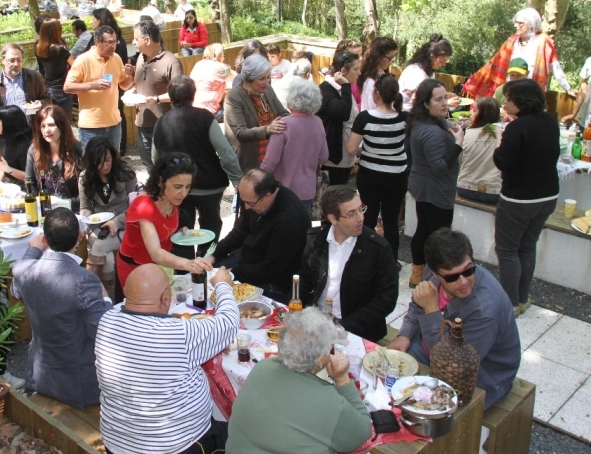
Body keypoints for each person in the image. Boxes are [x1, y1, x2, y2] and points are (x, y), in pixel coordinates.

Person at [96, 264, 238, 454]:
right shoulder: (177, 335)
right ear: (165, 297)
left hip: (117, 443)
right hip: (178, 446)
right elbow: (228, 323)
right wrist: (222, 286)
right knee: (246, 432)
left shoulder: (107, 320)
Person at [389, 228, 521, 408]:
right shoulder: (434, 268)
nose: (463, 282)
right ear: (434, 273)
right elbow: (418, 302)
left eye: (468, 270)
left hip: (479, 375)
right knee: (387, 380)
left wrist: (432, 308)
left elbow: (453, 364)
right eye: (452, 277)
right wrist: (404, 334)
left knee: (419, 410)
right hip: (432, 347)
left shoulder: (486, 311)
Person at [226, 307, 372, 454]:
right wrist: (342, 379)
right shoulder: (328, 401)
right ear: (320, 360)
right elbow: (361, 434)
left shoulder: (262, 367)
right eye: (330, 347)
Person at [10, 207, 111, 408]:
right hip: (78, 384)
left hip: (40, 375)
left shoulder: (23, 270)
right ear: (80, 237)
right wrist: (106, 298)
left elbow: (19, 276)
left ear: (45, 240)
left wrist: (34, 249)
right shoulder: (84, 280)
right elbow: (102, 331)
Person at [493, 79, 559, 315]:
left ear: (521, 101)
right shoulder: (550, 121)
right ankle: (522, 297)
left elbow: (503, 161)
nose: (506, 103)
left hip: (519, 199)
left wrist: (500, 142)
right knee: (527, 245)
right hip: (548, 195)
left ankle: (510, 304)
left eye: (509, 98)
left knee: (508, 250)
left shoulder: (517, 128)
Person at [299, 186, 398, 342]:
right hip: (317, 320)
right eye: (352, 213)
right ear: (332, 218)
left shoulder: (378, 248)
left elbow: (387, 299)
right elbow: (304, 280)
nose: (360, 218)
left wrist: (344, 326)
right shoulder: (315, 239)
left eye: (361, 209)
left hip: (357, 331)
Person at [152, 76, 243, 239]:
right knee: (211, 227)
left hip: (177, 187)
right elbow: (225, 152)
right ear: (193, 94)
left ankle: (184, 262)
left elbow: (155, 158)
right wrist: (237, 179)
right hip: (210, 185)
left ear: (170, 96)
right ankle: (207, 259)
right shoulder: (205, 118)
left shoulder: (161, 123)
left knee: (181, 231)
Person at [206, 169, 310, 303]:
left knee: (219, 298)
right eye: (242, 200)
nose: (246, 207)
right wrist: (214, 254)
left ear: (267, 196)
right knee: (202, 274)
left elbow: (270, 270)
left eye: (250, 203)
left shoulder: (289, 220)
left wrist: (232, 273)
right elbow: (240, 231)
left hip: (274, 281)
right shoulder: (256, 200)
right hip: (247, 259)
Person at [117, 153, 210, 288]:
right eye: (178, 187)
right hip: (135, 269)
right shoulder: (144, 206)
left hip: (161, 267)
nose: (184, 193)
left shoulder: (172, 200)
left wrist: (182, 227)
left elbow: (171, 220)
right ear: (161, 182)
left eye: (187, 187)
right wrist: (188, 264)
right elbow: (155, 253)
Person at [406, 78, 463, 287]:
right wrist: (458, 143)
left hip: (424, 186)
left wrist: (448, 126)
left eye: (445, 98)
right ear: (425, 103)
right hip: (435, 190)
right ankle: (434, 277)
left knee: (424, 228)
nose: (444, 103)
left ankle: (417, 274)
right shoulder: (430, 131)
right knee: (439, 235)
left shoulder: (424, 121)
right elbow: (439, 167)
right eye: (438, 99)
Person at [346, 73, 408, 262]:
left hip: (371, 174)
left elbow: (351, 149)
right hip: (397, 175)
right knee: (391, 220)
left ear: (377, 93)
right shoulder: (404, 117)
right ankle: (391, 260)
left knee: (368, 217)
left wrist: (363, 151)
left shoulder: (365, 118)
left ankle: (365, 257)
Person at [463, 7, 574, 99]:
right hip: (510, 90)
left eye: (520, 23)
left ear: (531, 24)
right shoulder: (512, 41)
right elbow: (493, 64)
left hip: (531, 93)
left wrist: (567, 88)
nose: (516, 26)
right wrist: (473, 81)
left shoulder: (543, 41)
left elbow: (554, 66)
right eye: (516, 23)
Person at [260, 78, 329, 213]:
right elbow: (323, 157)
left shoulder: (282, 124)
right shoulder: (318, 122)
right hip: (308, 190)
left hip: (283, 190)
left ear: (291, 98)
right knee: (302, 229)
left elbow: (269, 163)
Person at [79, 137, 138, 290]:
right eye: (99, 162)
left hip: (125, 225)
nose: (105, 166)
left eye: (108, 160)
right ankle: (110, 298)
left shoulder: (126, 174)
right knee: (109, 260)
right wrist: (86, 215)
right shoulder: (85, 178)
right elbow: (84, 207)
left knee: (99, 247)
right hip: (98, 226)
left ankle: (88, 289)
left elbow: (136, 208)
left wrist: (116, 221)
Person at [64, 25, 135, 150]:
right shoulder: (83, 60)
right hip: (91, 126)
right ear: (97, 42)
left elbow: (123, 85)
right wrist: (93, 85)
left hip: (114, 123)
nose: (113, 46)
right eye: (109, 42)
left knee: (114, 165)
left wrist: (130, 77)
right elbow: (67, 87)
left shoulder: (116, 58)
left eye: (115, 42)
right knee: (92, 166)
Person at [224, 55, 290, 172]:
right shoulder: (234, 96)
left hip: (270, 155)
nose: (266, 82)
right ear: (250, 78)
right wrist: (267, 130)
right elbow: (240, 132)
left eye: (268, 77)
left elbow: (283, 113)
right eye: (261, 78)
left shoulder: (267, 89)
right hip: (248, 158)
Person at [132, 20, 183, 169]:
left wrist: (155, 99)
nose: (133, 42)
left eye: (136, 39)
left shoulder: (171, 62)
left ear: (147, 40)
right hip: (142, 122)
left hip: (163, 125)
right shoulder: (140, 58)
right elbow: (142, 84)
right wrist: (133, 91)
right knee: (148, 165)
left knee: (166, 166)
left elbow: (179, 94)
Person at [0, 43, 50, 130]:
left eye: (19, 60)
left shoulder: (35, 77)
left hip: (31, 129)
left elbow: (47, 99)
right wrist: (1, 115)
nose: (16, 64)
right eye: (12, 60)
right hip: (5, 131)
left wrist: (40, 104)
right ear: (3, 60)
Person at [318, 51, 359, 186]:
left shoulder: (343, 89)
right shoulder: (327, 90)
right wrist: (346, 85)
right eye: (356, 69)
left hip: (346, 157)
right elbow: (343, 113)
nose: (359, 73)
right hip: (334, 160)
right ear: (343, 71)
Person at [26, 105, 81, 207]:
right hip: (45, 210)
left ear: (62, 126)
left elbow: (87, 194)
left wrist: (64, 204)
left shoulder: (79, 151)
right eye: (43, 126)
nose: (47, 130)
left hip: (74, 210)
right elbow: (30, 184)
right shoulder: (34, 150)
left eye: (51, 125)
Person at [457, 97, 503, 205]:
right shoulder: (504, 136)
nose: (470, 112)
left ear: (483, 114)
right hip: (494, 192)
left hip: (465, 188)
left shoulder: (466, 134)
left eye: (474, 110)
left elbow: (458, 161)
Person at [399, 34, 458, 110]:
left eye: (445, 61)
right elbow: (418, 101)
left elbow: (429, 94)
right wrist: (446, 103)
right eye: (441, 61)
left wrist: (446, 95)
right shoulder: (416, 72)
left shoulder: (429, 70)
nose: (443, 64)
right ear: (432, 56)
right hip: (407, 114)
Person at [34, 17, 73, 119]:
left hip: (47, 87)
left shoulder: (38, 46)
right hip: (61, 88)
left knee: (51, 119)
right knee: (64, 121)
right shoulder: (60, 49)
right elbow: (75, 64)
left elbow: (41, 67)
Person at [0, 105, 33, 186]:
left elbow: (31, 176)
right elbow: (2, 167)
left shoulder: (25, 145)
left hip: (24, 186)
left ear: (9, 124)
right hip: (7, 183)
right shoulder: (3, 139)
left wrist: (9, 170)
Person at [357, 37, 399, 113]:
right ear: (379, 56)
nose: (391, 61)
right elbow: (375, 110)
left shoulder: (380, 74)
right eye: (390, 57)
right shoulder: (371, 83)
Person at [190, 43, 231, 120]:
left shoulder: (198, 64)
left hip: (194, 109)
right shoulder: (221, 67)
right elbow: (237, 79)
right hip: (210, 112)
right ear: (220, 55)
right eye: (223, 55)